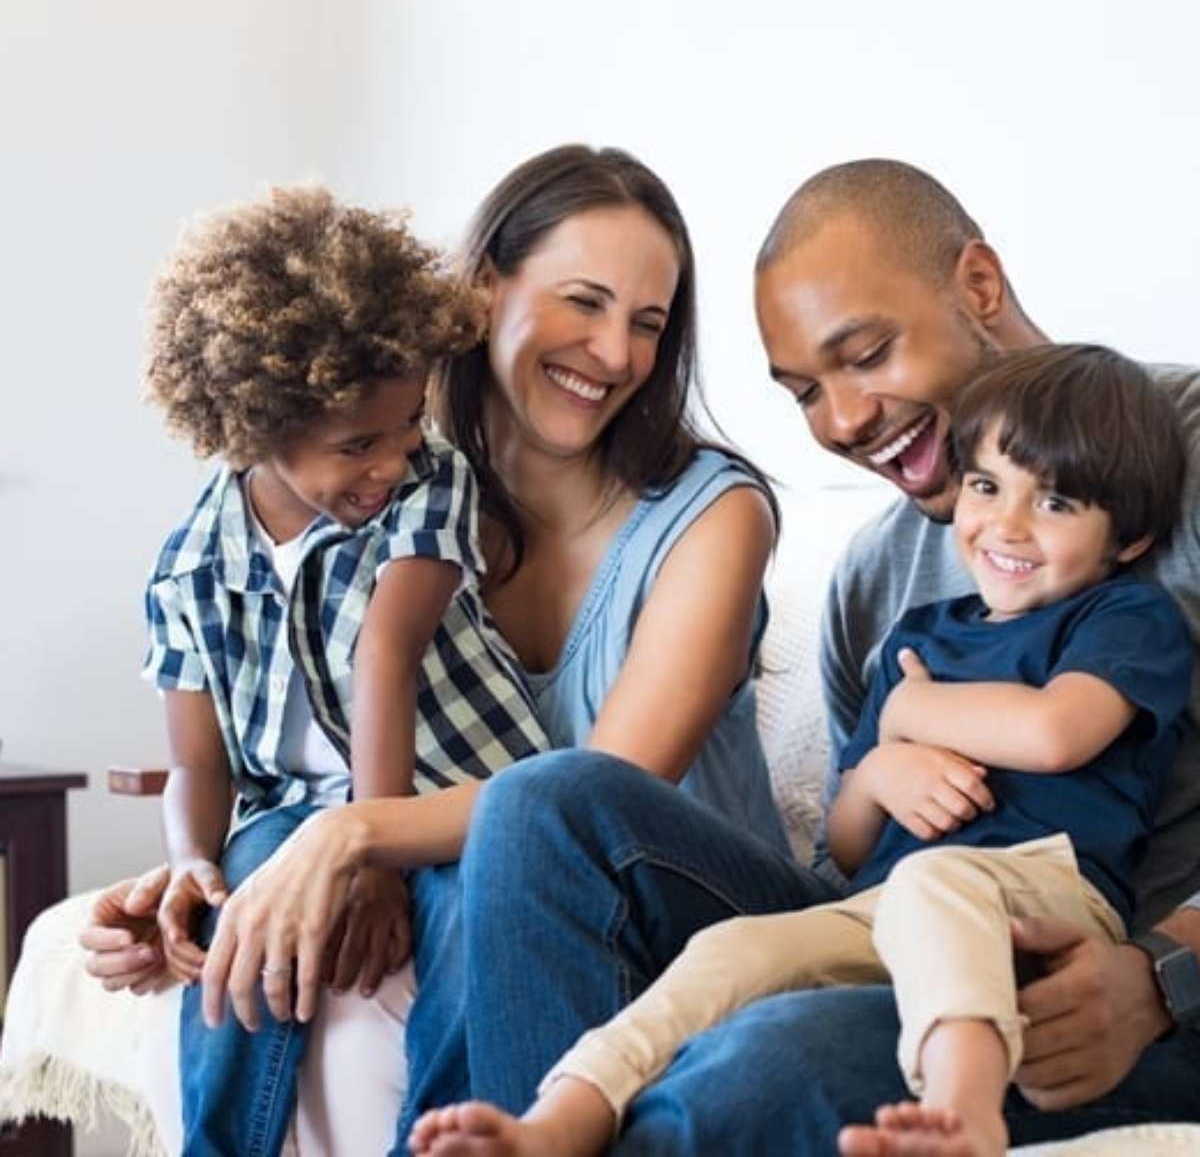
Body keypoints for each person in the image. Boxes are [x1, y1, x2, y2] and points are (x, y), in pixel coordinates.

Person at [416, 159, 1200, 1154]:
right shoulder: (877, 582)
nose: (842, 422)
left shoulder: (1181, 451)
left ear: (980, 288)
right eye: (803, 394)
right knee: (546, 803)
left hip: (1096, 968)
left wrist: (1166, 977)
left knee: (759, 1062)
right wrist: (881, 767)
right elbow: (854, 854)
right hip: (901, 923)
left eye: (866, 353)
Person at [79, 145, 812, 1155]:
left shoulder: (712, 517)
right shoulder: (388, 485)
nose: (615, 353)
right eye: (584, 302)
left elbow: (599, 794)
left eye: (648, 323)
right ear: (480, 293)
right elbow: (285, 729)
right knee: (271, 911)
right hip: (498, 884)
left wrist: (353, 834)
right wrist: (197, 870)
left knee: (497, 857)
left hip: (675, 908)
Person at [137, 184, 551, 1153]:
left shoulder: (428, 480)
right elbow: (200, 764)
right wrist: (193, 861)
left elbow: (386, 654)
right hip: (289, 813)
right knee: (245, 903)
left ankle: (446, 1139)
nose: (392, 458)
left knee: (466, 918)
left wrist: (371, 851)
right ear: (253, 428)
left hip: (458, 792)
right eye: (358, 444)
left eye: (408, 422)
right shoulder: (190, 566)